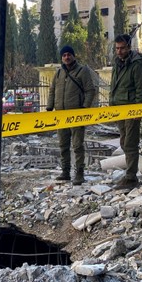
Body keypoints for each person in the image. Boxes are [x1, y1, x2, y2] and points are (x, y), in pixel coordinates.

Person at [46, 45, 97, 185]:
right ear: (61, 58)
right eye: (64, 55)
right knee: (63, 144)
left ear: (73, 56)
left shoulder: (82, 71)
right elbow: (52, 91)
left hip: (76, 115)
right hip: (60, 115)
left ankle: (79, 173)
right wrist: (49, 107)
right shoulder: (58, 73)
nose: (67, 57)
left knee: (77, 145)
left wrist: (84, 108)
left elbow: (90, 90)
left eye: (69, 54)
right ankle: (65, 172)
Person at [109, 34, 142, 190]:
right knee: (124, 142)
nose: (119, 51)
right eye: (117, 48)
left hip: (132, 109)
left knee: (130, 143)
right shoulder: (117, 63)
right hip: (119, 109)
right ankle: (130, 172)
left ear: (129, 47)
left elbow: (141, 89)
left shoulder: (137, 64)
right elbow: (114, 85)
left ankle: (131, 177)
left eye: (122, 48)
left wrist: (138, 111)